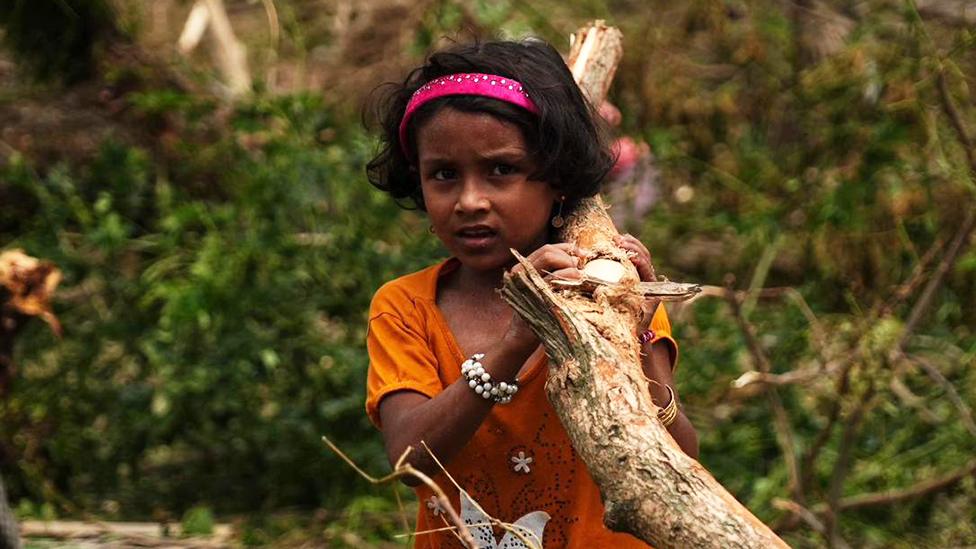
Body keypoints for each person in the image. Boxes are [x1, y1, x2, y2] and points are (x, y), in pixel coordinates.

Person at [363, 38, 698, 549]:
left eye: (502, 170)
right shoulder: (406, 307)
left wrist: (640, 332)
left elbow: (681, 463)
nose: (470, 201)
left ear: (558, 180)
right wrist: (517, 338)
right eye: (444, 175)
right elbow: (409, 461)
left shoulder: (606, 294)